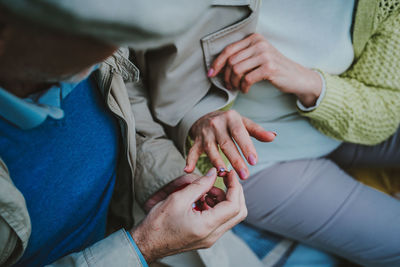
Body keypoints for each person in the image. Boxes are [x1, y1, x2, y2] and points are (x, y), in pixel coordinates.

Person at [131, 0, 400, 266]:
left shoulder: (386, 5)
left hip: (341, 121)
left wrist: (310, 83)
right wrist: (200, 115)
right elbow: (144, 66)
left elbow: (386, 106)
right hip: (252, 159)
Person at [0, 1, 259, 266]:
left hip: (135, 218)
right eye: (104, 35)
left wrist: (158, 177)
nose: (120, 48)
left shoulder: (78, 50)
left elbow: (122, 85)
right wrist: (143, 248)